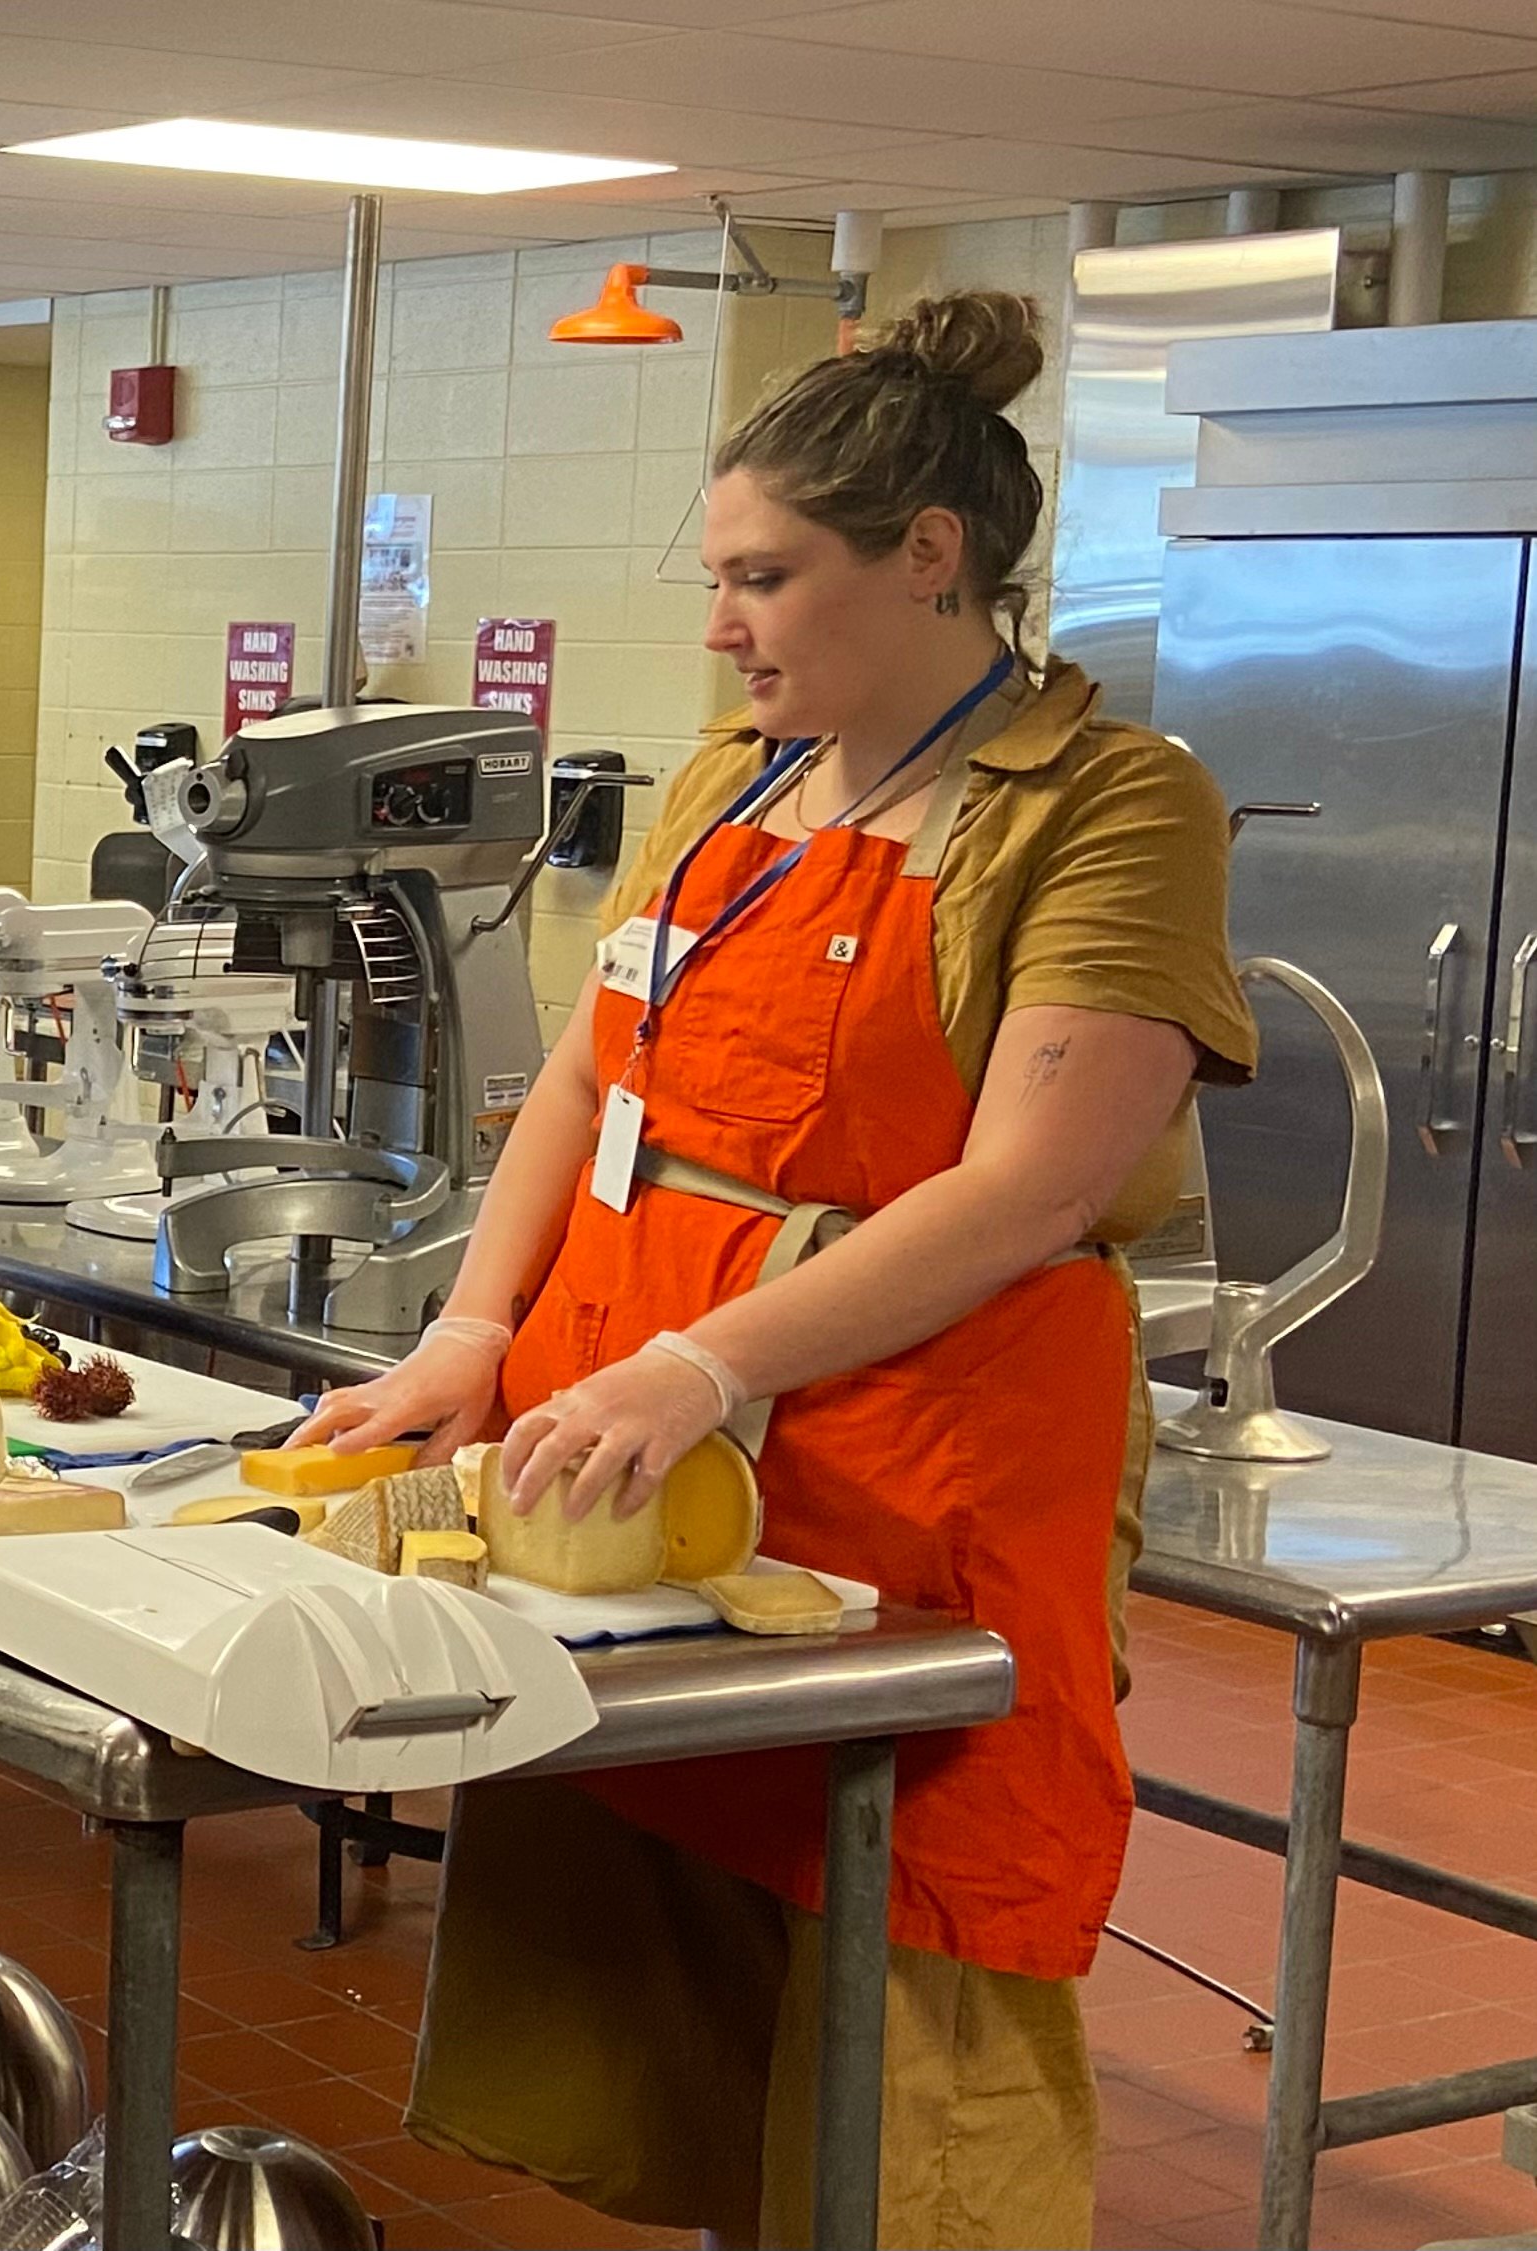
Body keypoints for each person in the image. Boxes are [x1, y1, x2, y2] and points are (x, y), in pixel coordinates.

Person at [294, 294, 1260, 2247]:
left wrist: (706, 1363)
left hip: (912, 1471)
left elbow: (1030, 1188)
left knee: (905, 2002)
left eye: (764, 577)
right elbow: (592, 1073)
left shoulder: (1102, 804)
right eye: (719, 579)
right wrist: (479, 1327)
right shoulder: (730, 780)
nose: (722, 626)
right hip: (624, 1459)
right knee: (682, 1950)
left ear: (930, 556)